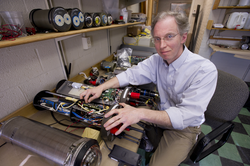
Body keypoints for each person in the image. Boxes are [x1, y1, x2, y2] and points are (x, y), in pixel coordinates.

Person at [80, 11, 218, 166]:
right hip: (159, 114)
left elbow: (186, 115)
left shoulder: (204, 70)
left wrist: (140, 113)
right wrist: (101, 87)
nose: (162, 45)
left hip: (184, 129)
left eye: (169, 36)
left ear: (183, 37)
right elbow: (131, 75)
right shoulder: (157, 60)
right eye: (157, 39)